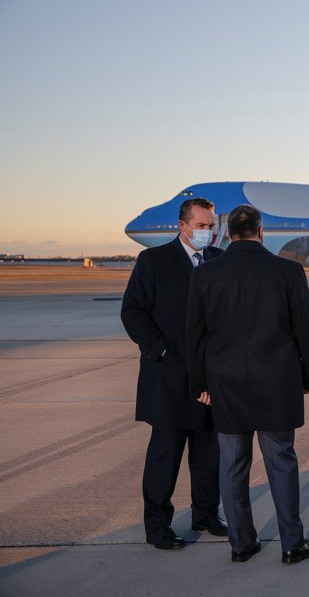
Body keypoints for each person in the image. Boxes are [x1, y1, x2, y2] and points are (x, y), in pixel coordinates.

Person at [185, 204, 309, 563]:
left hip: (225, 384)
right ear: (261, 232)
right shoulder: (288, 271)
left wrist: (200, 382)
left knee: (232, 466)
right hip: (277, 382)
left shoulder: (205, 275)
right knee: (281, 462)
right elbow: (306, 330)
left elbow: (194, 336)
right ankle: (293, 544)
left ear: (228, 233)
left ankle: (241, 543)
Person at [120, 197, 228, 550]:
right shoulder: (154, 261)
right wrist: (162, 351)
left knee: (208, 454)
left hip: (210, 379)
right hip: (168, 377)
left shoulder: (218, 260)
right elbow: (133, 311)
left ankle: (206, 514)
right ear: (182, 226)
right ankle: (157, 525)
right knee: (165, 455)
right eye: (201, 226)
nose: (207, 232)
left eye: (210, 226)